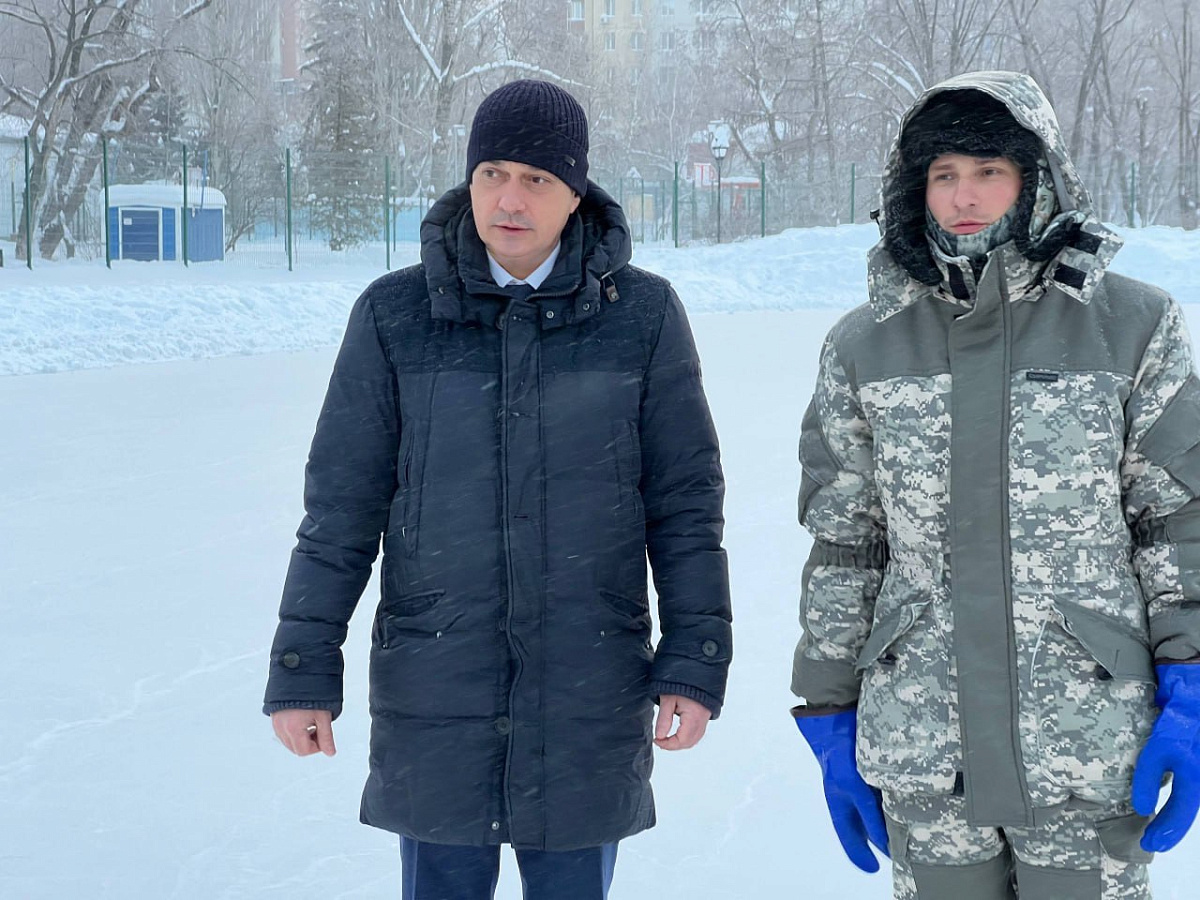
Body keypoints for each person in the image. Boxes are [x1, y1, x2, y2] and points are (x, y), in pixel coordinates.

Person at [263, 79, 732, 900]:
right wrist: (303, 668)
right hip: (435, 687)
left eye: (537, 179)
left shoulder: (641, 316)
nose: (510, 199)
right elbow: (340, 509)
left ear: (575, 192)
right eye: (492, 174)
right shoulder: (396, 315)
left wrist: (693, 661)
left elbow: (685, 507)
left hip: (588, 689)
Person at [790, 70, 1200, 899]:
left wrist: (1189, 683)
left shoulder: (1132, 324)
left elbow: (1174, 518)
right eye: (943, 174)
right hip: (925, 746)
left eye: (989, 170)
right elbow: (846, 542)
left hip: (1086, 742)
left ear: (1037, 179)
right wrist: (827, 708)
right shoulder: (864, 345)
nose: (964, 196)